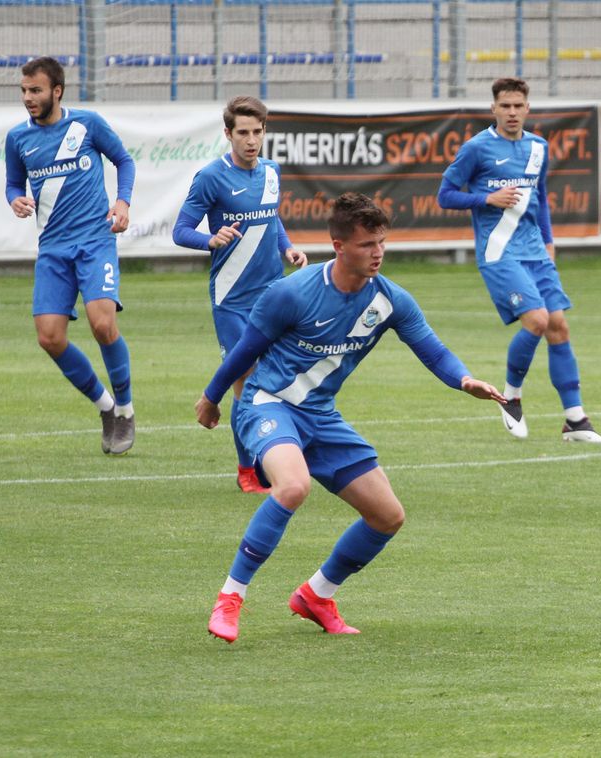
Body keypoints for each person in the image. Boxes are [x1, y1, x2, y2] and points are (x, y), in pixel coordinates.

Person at [195, 192, 505, 643]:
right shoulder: (291, 293)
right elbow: (245, 352)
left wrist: (464, 380)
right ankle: (230, 598)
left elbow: (433, 350)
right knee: (293, 486)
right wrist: (211, 397)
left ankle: (316, 595)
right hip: (269, 405)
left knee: (387, 515)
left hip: (320, 416)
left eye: (381, 242)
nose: (378, 252)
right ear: (339, 245)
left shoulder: (390, 300)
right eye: (366, 244)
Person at [437, 77, 601, 443]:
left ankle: (575, 421)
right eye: (505, 106)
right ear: (493, 109)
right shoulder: (477, 148)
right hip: (499, 252)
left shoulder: (538, 148)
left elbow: (540, 197)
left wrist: (549, 241)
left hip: (535, 251)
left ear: (528, 108)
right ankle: (511, 397)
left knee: (558, 325)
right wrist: (485, 200)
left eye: (518, 106)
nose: (512, 112)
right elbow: (445, 195)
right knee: (536, 319)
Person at [174, 95, 308, 493]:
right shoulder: (211, 177)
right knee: (245, 382)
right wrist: (209, 239)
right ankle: (248, 470)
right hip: (232, 300)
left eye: (257, 132)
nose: (251, 140)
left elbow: (271, 216)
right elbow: (180, 230)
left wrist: (287, 247)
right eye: (243, 133)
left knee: (281, 379)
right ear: (228, 134)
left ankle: (274, 456)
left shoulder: (271, 172)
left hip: (273, 295)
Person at [5, 56, 137, 454]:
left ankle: (127, 412)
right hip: (53, 250)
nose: (29, 98)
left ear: (57, 91)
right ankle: (106, 406)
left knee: (102, 325)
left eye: (36, 90)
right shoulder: (17, 138)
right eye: (25, 91)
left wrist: (123, 202)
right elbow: (13, 184)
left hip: (95, 241)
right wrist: (16, 200)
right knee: (49, 338)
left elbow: (124, 161)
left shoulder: (87, 124)